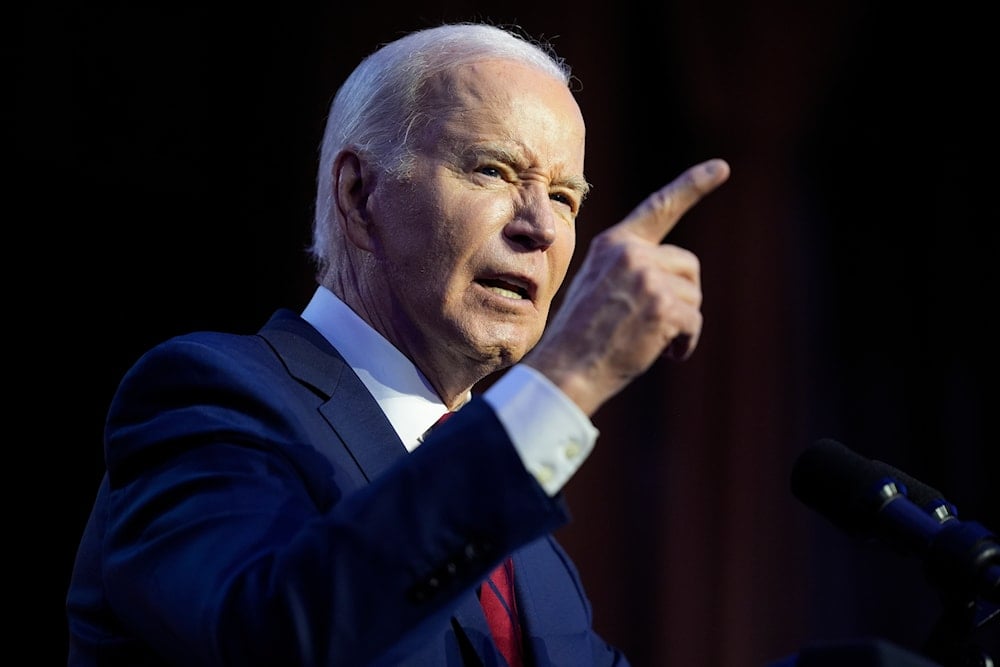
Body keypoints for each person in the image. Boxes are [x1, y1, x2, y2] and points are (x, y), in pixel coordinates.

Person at [65, 20, 730, 667]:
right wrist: (569, 375)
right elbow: (276, 634)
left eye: (563, 196)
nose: (541, 228)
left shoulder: (528, 549)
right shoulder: (208, 399)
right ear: (358, 196)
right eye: (494, 170)